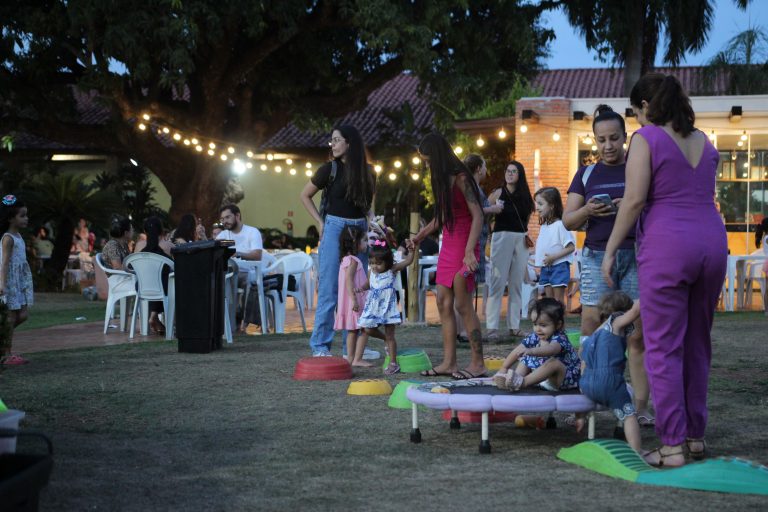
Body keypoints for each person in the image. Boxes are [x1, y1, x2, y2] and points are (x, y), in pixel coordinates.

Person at [602, 73, 727, 467]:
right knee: (697, 344)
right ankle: (695, 438)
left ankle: (671, 446)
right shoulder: (705, 143)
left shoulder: (647, 138)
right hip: (712, 242)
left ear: (645, 107)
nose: (637, 121)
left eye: (636, 112)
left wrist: (609, 250)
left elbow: (635, 199)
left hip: (668, 245)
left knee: (662, 346)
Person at [563, 104, 653, 426]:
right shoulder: (586, 174)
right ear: (594, 141)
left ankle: (640, 407)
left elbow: (652, 207)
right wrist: (588, 210)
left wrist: (630, 208)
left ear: (625, 136)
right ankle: (581, 403)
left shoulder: (639, 168)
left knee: (637, 335)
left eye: (614, 138)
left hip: (637, 255)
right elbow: (567, 219)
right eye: (602, 140)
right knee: (590, 329)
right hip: (596, 256)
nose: (608, 146)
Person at [411, 133, 486, 380]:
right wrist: (421, 234)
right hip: (449, 243)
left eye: (428, 160)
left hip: (466, 242)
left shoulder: (463, 179)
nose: (426, 165)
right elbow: (443, 215)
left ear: (439, 156)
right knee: (443, 301)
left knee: (462, 304)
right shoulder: (442, 180)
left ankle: (478, 364)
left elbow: (478, 216)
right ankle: (449, 363)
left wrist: (468, 251)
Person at [299, 125, 375, 357]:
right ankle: (320, 346)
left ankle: (350, 349)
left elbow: (368, 206)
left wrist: (372, 224)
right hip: (334, 227)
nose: (332, 144)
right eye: (332, 140)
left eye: (337, 140)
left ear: (349, 143)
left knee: (357, 289)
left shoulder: (369, 172)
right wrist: (320, 223)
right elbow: (304, 195)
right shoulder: (328, 169)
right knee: (330, 290)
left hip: (359, 229)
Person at [577, 292, 642, 453]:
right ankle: (636, 451)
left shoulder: (594, 334)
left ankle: (580, 417)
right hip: (609, 381)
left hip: (587, 383)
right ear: (622, 311)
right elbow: (635, 312)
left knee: (591, 388)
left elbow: (583, 362)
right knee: (629, 415)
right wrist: (647, 293)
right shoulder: (617, 322)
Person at [484, 160, 535, 341]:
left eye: (513, 171)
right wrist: (489, 233)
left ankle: (514, 326)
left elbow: (527, 218)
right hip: (501, 237)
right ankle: (492, 327)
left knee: (516, 284)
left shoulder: (525, 196)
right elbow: (483, 211)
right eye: (507, 171)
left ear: (519, 174)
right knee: (497, 283)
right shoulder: (497, 193)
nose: (510, 174)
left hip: (520, 238)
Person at [455, 154, 502, 343]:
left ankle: (463, 329)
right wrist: (492, 209)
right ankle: (464, 330)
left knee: (467, 288)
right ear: (478, 168)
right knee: (465, 289)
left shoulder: (473, 187)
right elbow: (472, 212)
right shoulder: (470, 187)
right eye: (484, 166)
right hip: (471, 244)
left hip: (477, 243)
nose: (485, 170)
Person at [493, 298, 580, 392]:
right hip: (544, 378)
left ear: (558, 325)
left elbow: (551, 349)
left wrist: (531, 351)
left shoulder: (560, 337)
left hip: (563, 378)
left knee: (553, 363)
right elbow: (518, 351)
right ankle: (514, 380)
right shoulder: (535, 336)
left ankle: (523, 382)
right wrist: (504, 368)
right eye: (535, 324)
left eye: (543, 325)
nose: (538, 329)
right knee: (525, 356)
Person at [358, 237, 417, 375]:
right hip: (373, 307)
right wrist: (360, 288)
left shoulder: (392, 269)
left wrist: (411, 251)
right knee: (367, 329)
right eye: (372, 263)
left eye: (378, 263)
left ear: (387, 262)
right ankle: (385, 339)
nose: (374, 266)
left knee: (391, 336)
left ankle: (393, 363)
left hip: (388, 308)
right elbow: (368, 283)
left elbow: (408, 261)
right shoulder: (371, 271)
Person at [216, 204, 266, 334]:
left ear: (237, 215)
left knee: (240, 280)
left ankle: (236, 322)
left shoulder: (252, 232)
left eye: (227, 217)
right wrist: (204, 237)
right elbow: (213, 252)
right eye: (222, 219)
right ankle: (224, 323)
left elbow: (257, 255)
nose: (224, 221)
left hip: (248, 272)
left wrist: (238, 253)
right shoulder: (223, 235)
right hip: (228, 273)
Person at [0, 195, 33, 365]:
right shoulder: (8, 238)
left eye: (26, 214)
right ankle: (7, 354)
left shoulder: (18, 236)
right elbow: (4, 264)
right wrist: (2, 284)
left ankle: (3, 343)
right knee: (11, 317)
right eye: (22, 215)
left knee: (23, 315)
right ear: (11, 218)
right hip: (10, 283)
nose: (26, 218)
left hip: (20, 282)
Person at [334, 226, 371, 367]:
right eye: (364, 240)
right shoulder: (353, 260)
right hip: (355, 302)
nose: (366, 244)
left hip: (349, 301)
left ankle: (351, 358)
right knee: (364, 329)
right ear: (355, 242)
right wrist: (354, 300)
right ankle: (357, 358)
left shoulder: (345, 259)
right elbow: (349, 280)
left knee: (353, 330)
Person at [533, 187, 575, 304]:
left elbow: (571, 247)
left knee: (558, 301)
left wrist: (553, 257)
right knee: (549, 302)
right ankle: (552, 322)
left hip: (559, 267)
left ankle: (559, 321)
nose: (537, 207)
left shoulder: (560, 225)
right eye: (536, 204)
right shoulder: (544, 226)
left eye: (540, 204)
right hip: (545, 268)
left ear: (552, 206)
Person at [135, 216, 173, 335]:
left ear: (145, 232)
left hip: (141, 288)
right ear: (162, 233)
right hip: (162, 289)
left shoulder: (139, 248)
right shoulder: (167, 248)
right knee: (169, 284)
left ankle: (153, 315)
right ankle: (158, 317)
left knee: (158, 282)